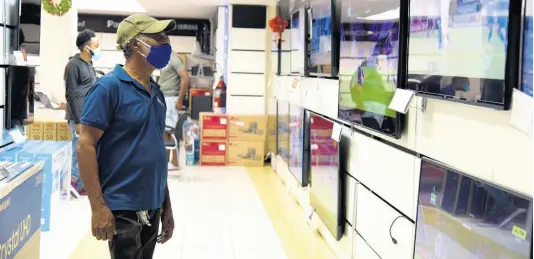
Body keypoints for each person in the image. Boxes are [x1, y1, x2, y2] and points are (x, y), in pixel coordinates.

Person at [77, 14, 176, 259]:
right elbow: (85, 144)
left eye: (166, 37)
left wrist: (166, 205)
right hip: (123, 208)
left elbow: (155, 150)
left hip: (152, 204)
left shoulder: (157, 92)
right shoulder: (108, 89)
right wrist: (98, 207)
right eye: (158, 37)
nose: (166, 43)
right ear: (135, 45)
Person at [64, 29, 100, 194]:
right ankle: (73, 184)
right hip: (79, 117)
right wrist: (78, 120)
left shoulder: (89, 64)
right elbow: (70, 94)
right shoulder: (73, 65)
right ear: (87, 48)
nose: (99, 48)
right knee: (76, 151)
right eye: (96, 45)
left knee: (86, 151)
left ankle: (82, 184)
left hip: (90, 115)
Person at [158, 51, 190, 168]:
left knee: (169, 129)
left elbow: (186, 78)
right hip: (164, 97)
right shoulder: (164, 58)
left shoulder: (174, 59)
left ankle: (170, 160)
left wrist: (180, 99)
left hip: (171, 99)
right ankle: (170, 160)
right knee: (164, 129)